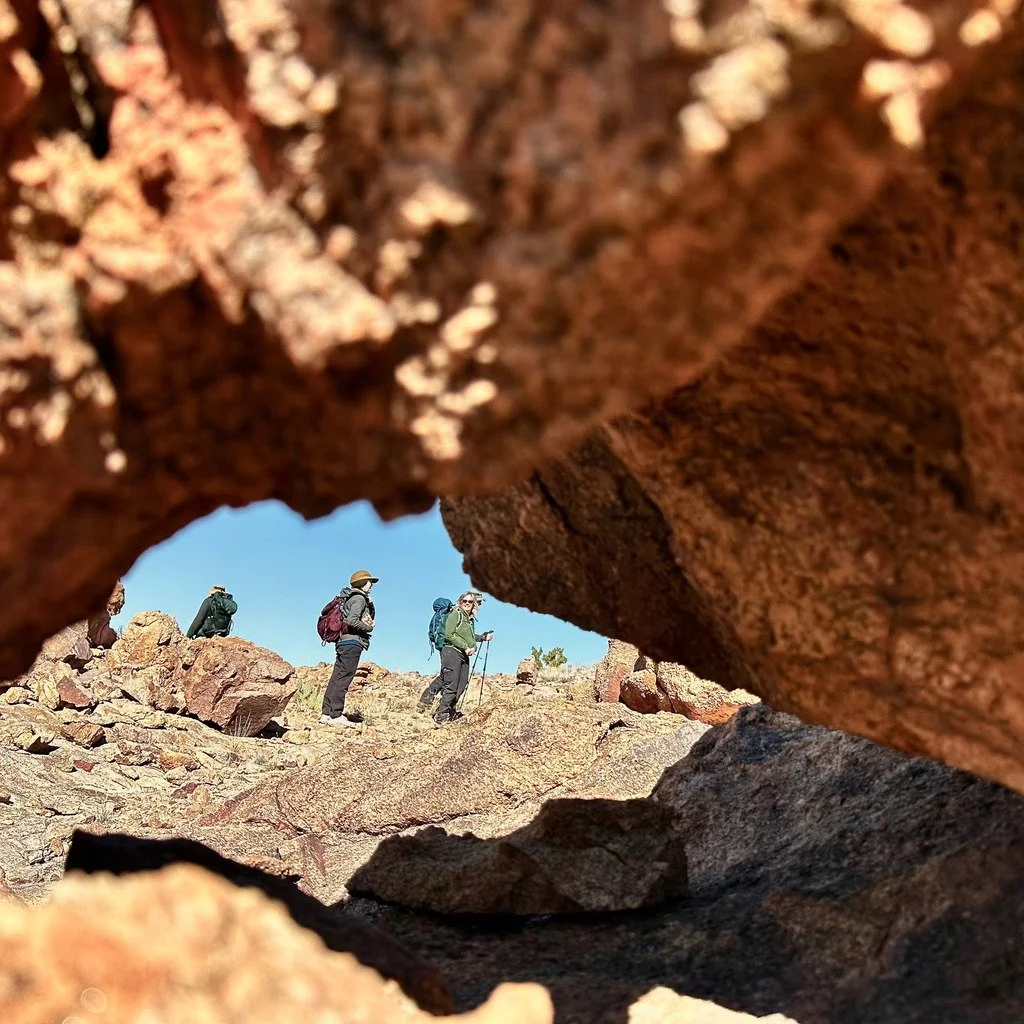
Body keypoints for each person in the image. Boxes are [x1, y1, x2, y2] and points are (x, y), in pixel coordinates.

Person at [321, 569, 378, 728]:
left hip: (343, 642)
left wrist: (370, 604)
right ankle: (336, 714)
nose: (371, 585)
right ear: (362, 583)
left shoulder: (350, 597)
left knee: (336, 677)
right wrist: (369, 628)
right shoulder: (359, 599)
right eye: (370, 582)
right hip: (352, 643)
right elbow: (352, 620)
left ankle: (326, 713)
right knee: (344, 678)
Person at [434, 591, 493, 725]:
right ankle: (441, 715)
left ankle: (450, 711)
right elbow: (449, 635)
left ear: (474, 604)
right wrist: (465, 647)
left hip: (464, 655)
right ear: (460, 602)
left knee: (461, 685)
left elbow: (469, 638)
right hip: (451, 652)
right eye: (464, 601)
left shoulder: (469, 620)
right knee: (451, 685)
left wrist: (482, 639)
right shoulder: (456, 615)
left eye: (470, 601)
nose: (467, 603)